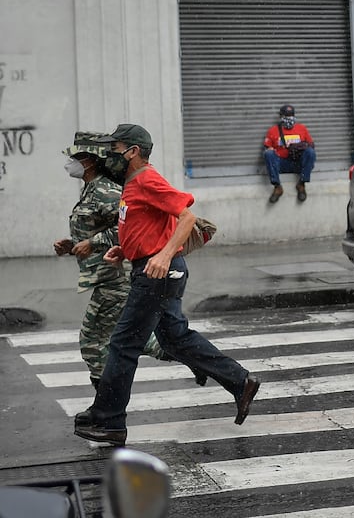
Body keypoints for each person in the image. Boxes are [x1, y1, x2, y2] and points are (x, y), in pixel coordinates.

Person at [74, 124, 259, 447]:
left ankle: (110, 420)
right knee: (174, 338)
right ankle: (240, 381)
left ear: (132, 152)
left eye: (114, 148)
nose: (107, 155)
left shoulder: (146, 178)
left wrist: (162, 254)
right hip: (152, 268)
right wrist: (126, 249)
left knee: (123, 344)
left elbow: (185, 217)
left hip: (158, 273)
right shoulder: (132, 183)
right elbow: (146, 223)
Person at [55, 132, 168, 388]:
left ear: (89, 162)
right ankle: (190, 354)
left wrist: (93, 242)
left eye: (76, 158)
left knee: (93, 340)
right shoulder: (91, 189)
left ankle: (104, 406)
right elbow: (95, 230)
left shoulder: (106, 191)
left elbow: (127, 227)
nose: (68, 163)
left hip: (116, 278)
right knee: (133, 338)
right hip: (105, 277)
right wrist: (71, 245)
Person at [262, 104, 316, 203]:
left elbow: (311, 145)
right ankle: (277, 187)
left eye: (290, 116)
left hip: (298, 163)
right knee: (268, 154)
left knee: (311, 152)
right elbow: (266, 147)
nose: (288, 118)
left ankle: (301, 184)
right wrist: (270, 149)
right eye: (286, 116)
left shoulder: (302, 128)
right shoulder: (273, 130)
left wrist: (301, 147)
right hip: (281, 163)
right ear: (281, 117)